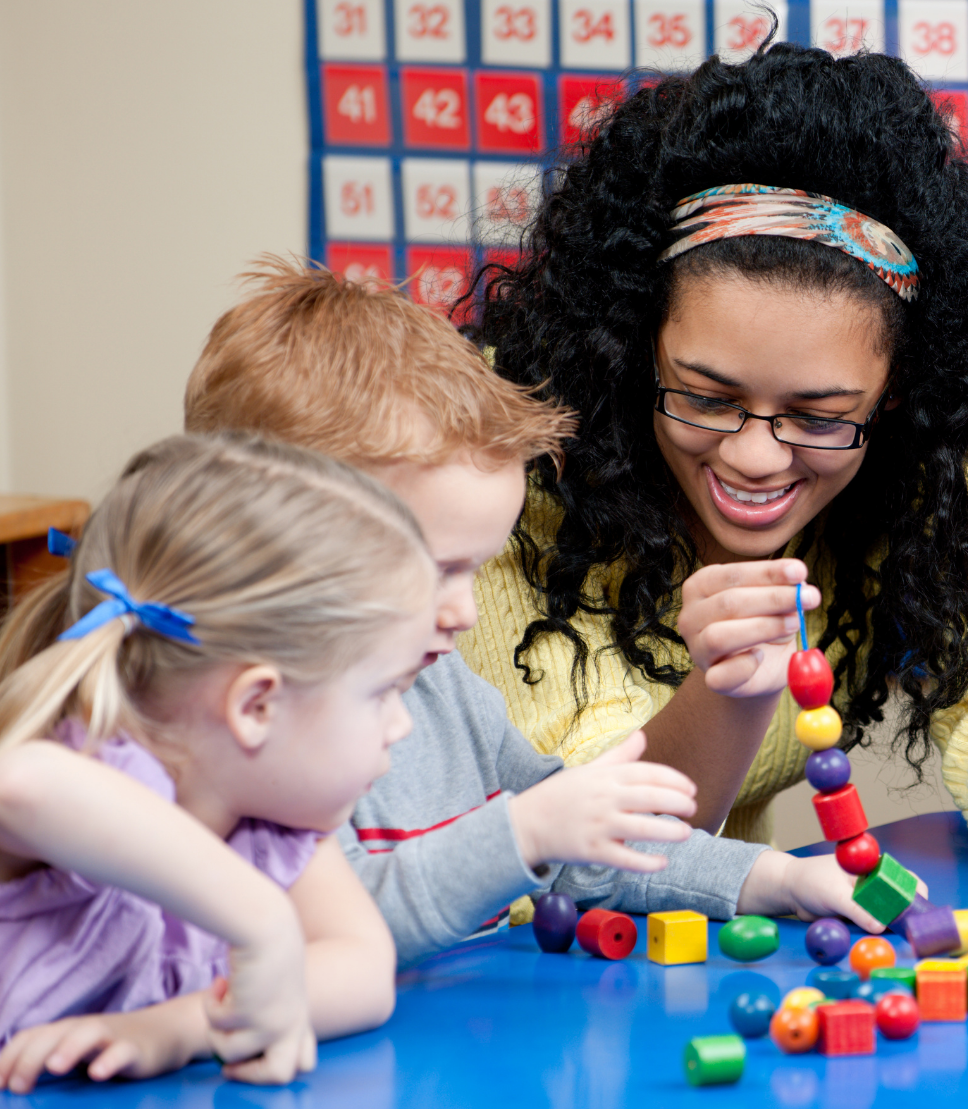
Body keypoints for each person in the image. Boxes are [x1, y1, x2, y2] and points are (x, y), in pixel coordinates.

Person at [462, 43, 968, 867]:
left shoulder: (961, 449)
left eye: (821, 416)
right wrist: (726, 692)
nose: (754, 456)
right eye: (706, 396)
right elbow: (592, 857)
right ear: (635, 349)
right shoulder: (513, 453)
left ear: (896, 394)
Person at [185, 261, 892, 965]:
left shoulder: (442, 687)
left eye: (475, 566)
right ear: (271, 543)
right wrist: (522, 834)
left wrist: (776, 878)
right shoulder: (243, 725)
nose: (463, 612)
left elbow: (589, 844)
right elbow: (328, 937)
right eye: (434, 572)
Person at [0, 435, 436, 1092]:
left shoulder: (270, 826)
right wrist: (261, 922)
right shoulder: (86, 769)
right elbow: (19, 783)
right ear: (256, 705)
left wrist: (177, 1029)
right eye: (384, 693)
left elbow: (363, 971)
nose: (401, 726)